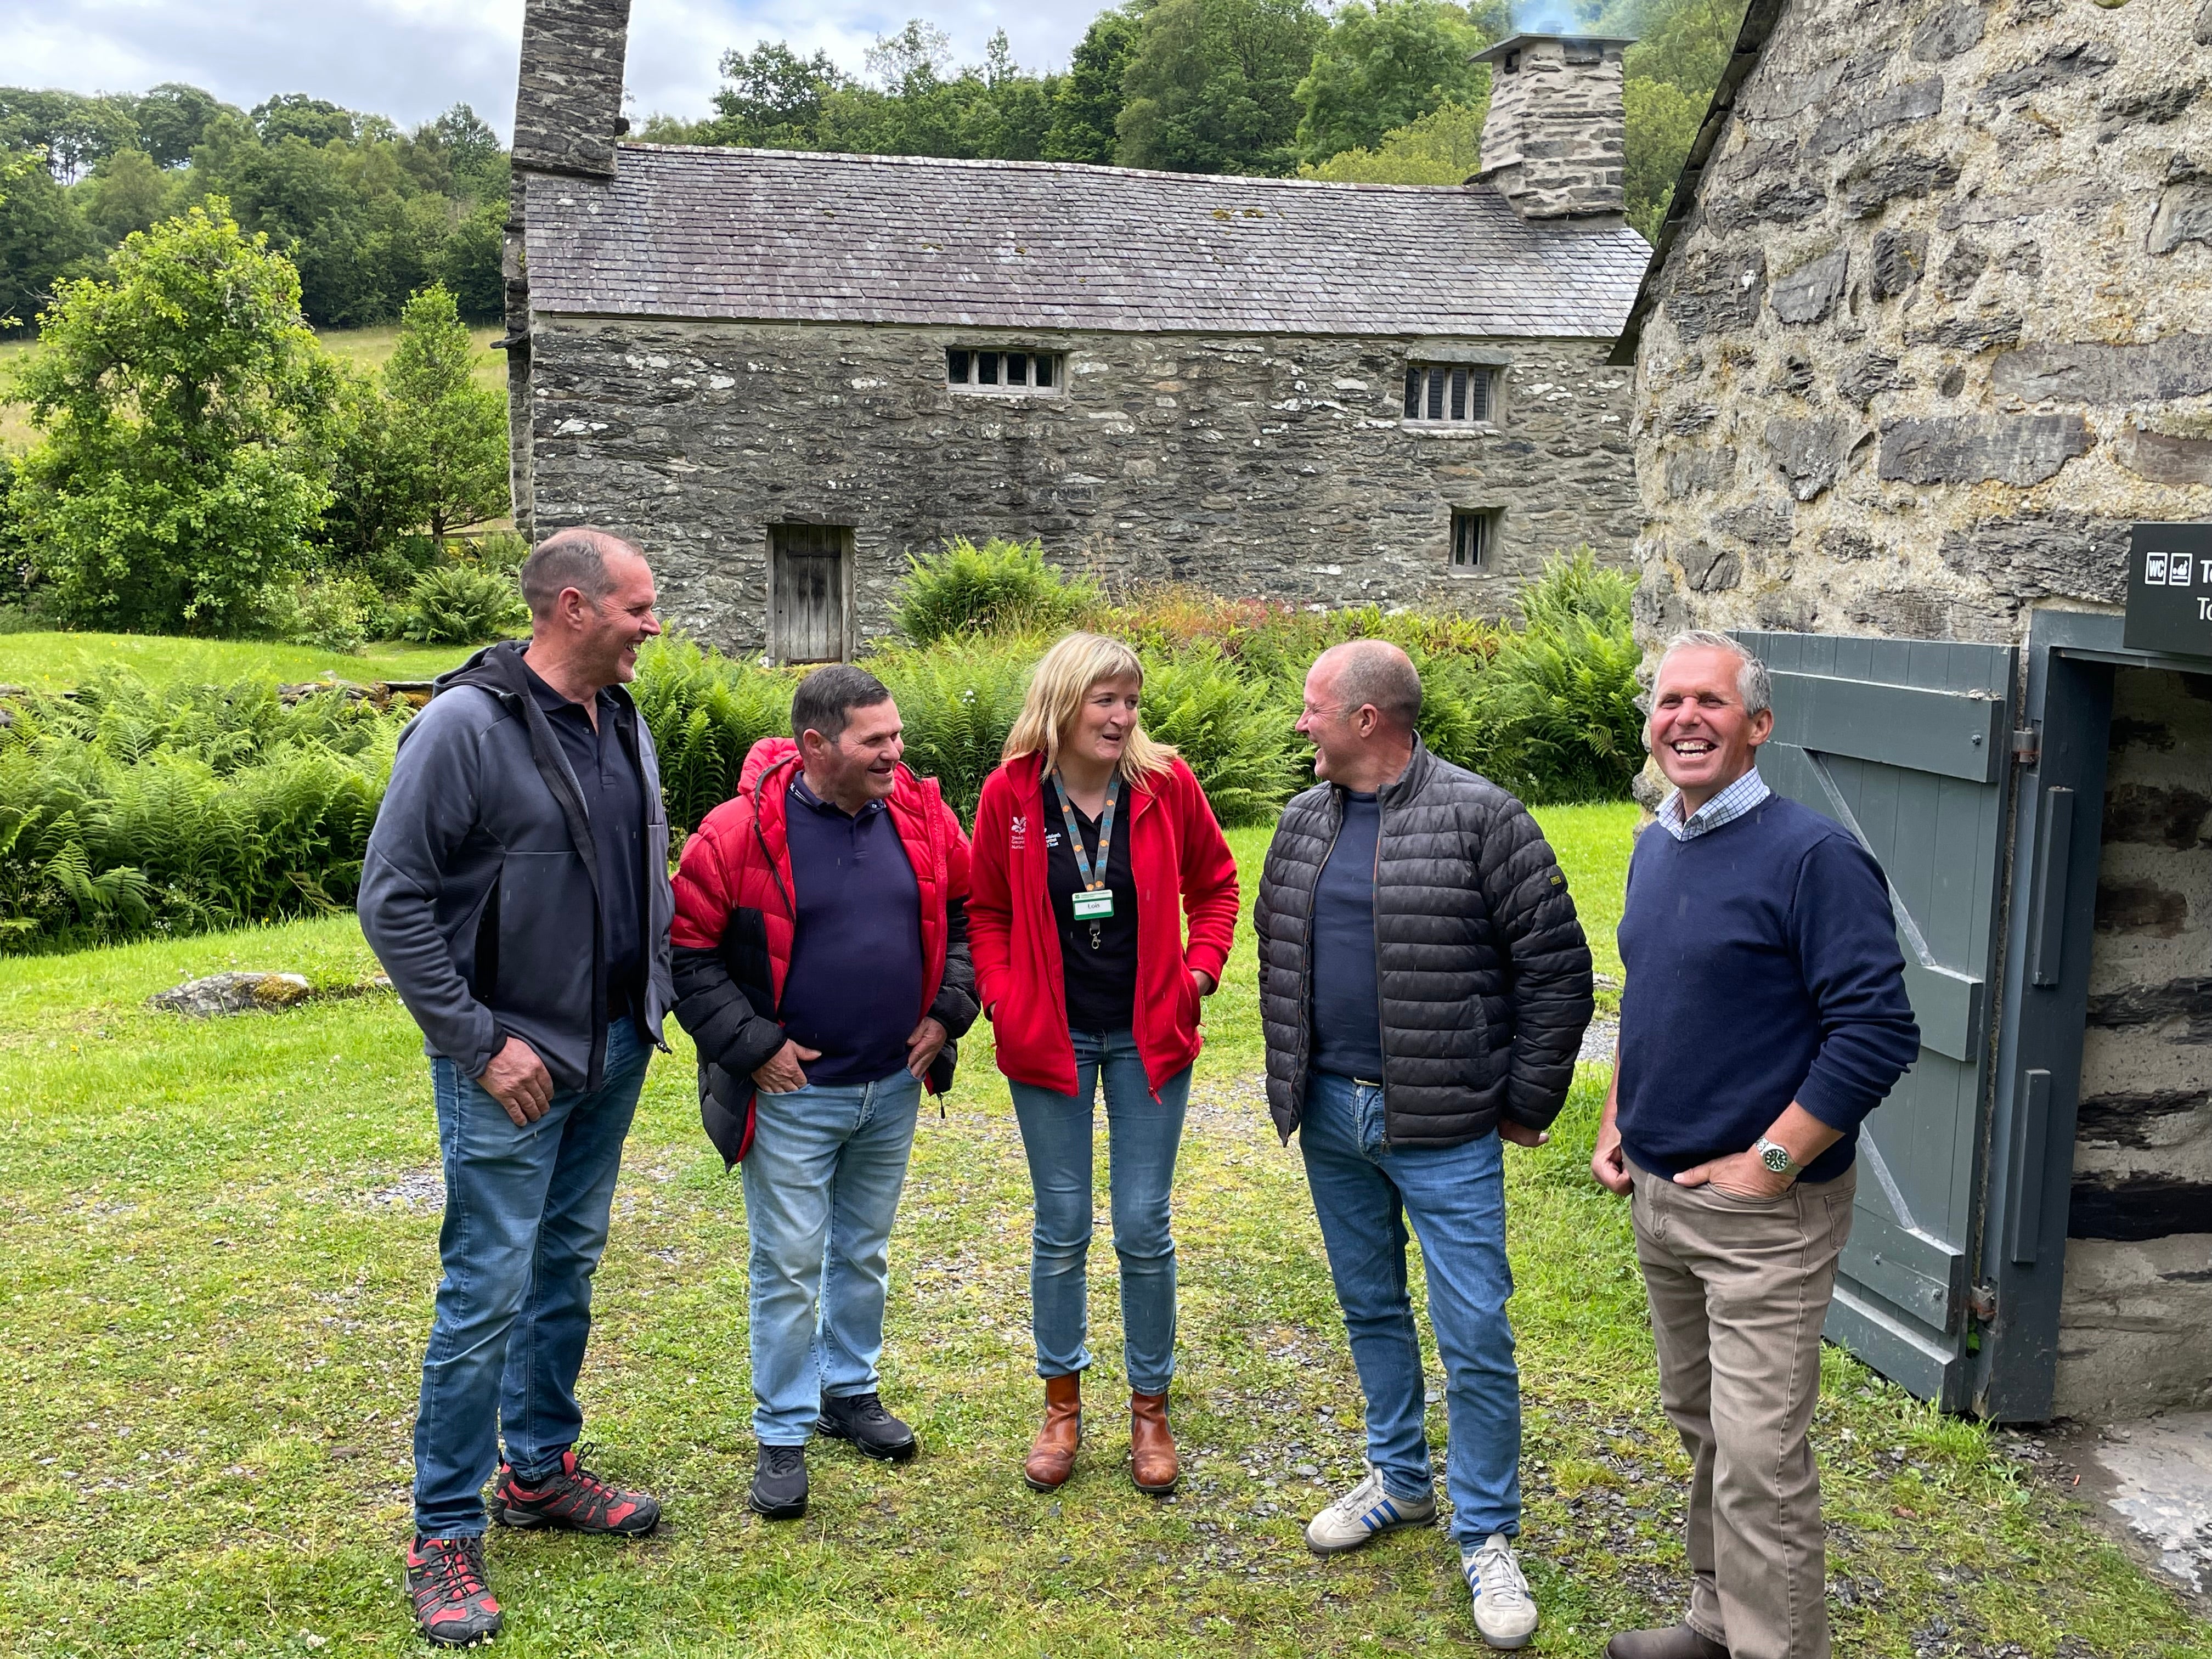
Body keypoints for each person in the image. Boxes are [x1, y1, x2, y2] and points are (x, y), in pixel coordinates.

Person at [359, 527, 674, 1649]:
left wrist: (655, 1001)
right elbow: (391, 903)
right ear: (574, 608)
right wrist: (480, 1041)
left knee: (566, 1266)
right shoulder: (462, 726)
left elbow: (641, 873)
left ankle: (537, 1471)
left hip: (615, 1050)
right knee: (484, 1289)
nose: (654, 623)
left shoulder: (621, 717)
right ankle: (442, 1532)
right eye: (639, 606)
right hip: (513, 1064)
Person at [1254, 639, 1593, 1652]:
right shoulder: (1303, 821)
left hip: (1444, 1126)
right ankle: (1399, 1483)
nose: (1301, 723)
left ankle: (1487, 1532)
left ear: (1368, 720)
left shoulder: (1487, 818)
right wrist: (1294, 1084)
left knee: (1475, 1331)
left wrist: (1527, 1100)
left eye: (1314, 708)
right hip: (1331, 1119)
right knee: (1368, 1307)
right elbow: (1278, 955)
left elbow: (1557, 973)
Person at [1592, 631, 1918, 1659]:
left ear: (1758, 726)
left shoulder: (1813, 858)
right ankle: (1717, 1621)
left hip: (1764, 1217)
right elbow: (1657, 992)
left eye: (1712, 703)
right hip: (1661, 1193)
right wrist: (1617, 1118)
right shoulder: (1659, 842)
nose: (1684, 719)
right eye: (1668, 702)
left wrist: (1770, 1162)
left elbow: (1878, 1032)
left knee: (1757, 1460)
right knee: (1701, 1423)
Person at [667, 664, 978, 1523]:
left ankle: (850, 1392)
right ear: (816, 745)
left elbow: (966, 916)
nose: (897, 753)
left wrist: (949, 1012)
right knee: (790, 1264)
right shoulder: (734, 834)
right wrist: (755, 1046)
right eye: (877, 740)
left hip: (893, 1085)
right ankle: (782, 1428)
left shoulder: (919, 814)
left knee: (863, 1252)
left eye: (898, 734)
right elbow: (685, 956)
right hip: (795, 1096)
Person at [968, 632, 1240, 1496]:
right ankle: (1061, 1408)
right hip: (1048, 1039)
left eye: (1130, 701)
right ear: (1063, 703)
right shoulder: (1010, 795)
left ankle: (1149, 1410)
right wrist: (1006, 997)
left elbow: (1220, 885)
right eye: (1105, 700)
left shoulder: (1166, 787)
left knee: (1141, 1225)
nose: (1122, 717)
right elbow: (986, 910)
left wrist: (1199, 975)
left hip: (1147, 1039)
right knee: (1061, 1226)